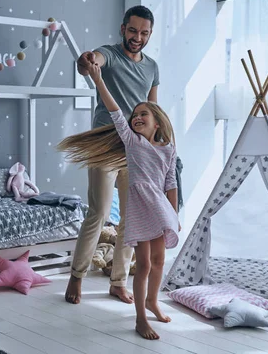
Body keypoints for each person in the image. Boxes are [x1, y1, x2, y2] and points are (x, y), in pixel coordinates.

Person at [62, 60, 180, 340]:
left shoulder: (168, 150)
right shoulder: (132, 142)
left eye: (143, 115)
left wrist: (174, 215)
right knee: (145, 265)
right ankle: (140, 318)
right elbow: (115, 111)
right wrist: (98, 79)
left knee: (160, 261)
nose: (136, 117)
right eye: (135, 115)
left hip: (160, 211)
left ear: (158, 123)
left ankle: (153, 301)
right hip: (140, 212)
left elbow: (171, 184)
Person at [64, 5, 160, 305]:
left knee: (131, 219)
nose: (137, 37)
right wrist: (86, 61)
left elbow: (153, 110)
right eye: (133, 30)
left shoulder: (152, 67)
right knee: (99, 212)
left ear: (150, 34)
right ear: (123, 29)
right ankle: (76, 277)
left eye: (144, 33)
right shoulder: (110, 54)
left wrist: (155, 146)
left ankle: (118, 281)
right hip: (104, 144)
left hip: (136, 149)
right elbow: (91, 62)